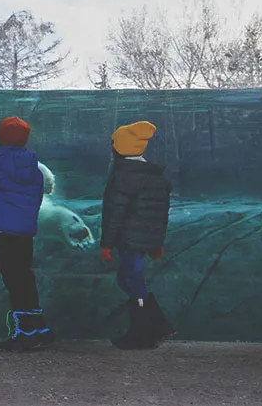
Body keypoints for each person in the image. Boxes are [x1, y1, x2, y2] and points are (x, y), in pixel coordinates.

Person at [0, 116, 54, 351]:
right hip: (25, 231)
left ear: (0, 138)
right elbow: (37, 196)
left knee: (13, 279)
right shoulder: (35, 167)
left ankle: (25, 332)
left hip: (4, 230)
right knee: (25, 277)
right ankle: (40, 328)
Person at [100, 120, 176, 350]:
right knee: (129, 279)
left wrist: (106, 244)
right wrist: (157, 242)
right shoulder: (156, 176)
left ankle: (144, 333)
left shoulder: (123, 176)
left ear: (119, 148)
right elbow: (160, 214)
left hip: (129, 239)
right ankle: (156, 325)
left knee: (133, 280)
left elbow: (114, 212)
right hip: (144, 239)